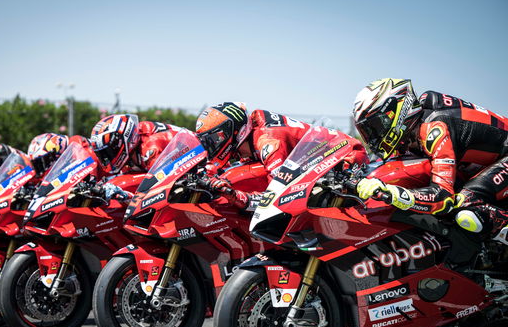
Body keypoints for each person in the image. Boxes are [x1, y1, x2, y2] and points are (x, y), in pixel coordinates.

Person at [353, 78, 508, 244]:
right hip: (487, 163)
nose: (373, 137)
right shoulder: (416, 127)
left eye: (375, 127)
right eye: (367, 131)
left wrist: (392, 193)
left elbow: (443, 198)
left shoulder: (435, 127)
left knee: (464, 203)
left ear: (396, 111)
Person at [196, 102, 368, 210]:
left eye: (215, 138)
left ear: (233, 131)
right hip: (315, 165)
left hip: (345, 160)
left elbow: (278, 196)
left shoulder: (268, 142)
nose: (212, 145)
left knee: (309, 207)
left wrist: (240, 197)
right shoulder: (249, 140)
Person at [89, 114, 185, 200]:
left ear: (122, 141)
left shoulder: (150, 146)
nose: (106, 158)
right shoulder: (132, 149)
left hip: (192, 171)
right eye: (102, 154)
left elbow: (160, 180)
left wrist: (123, 191)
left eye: (108, 152)